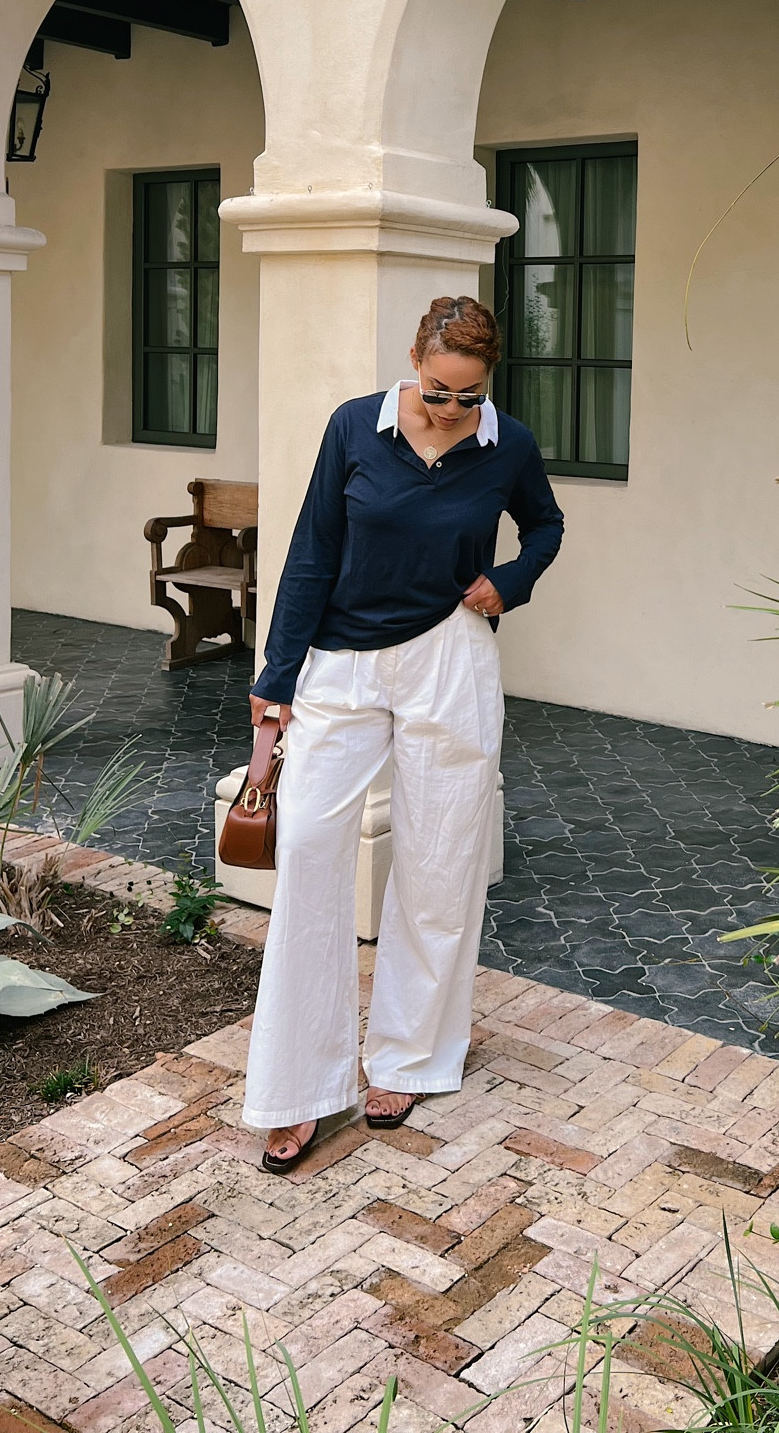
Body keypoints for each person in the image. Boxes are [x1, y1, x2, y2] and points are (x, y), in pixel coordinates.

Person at [241, 294, 564, 1172]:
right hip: (343, 666)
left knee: (439, 860)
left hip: (450, 657)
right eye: (438, 389)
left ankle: (409, 1059)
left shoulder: (509, 444)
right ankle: (300, 1087)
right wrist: (275, 687)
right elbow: (310, 551)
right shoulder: (355, 427)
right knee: (309, 850)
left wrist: (510, 581)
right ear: (414, 358)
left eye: (468, 395)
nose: (452, 410)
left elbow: (546, 525)